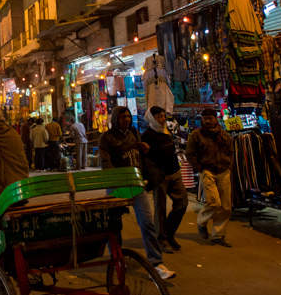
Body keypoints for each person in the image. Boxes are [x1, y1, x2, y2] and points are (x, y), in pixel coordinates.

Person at [99, 106, 175, 280]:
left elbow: (141, 156)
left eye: (128, 116)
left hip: (137, 183)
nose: (126, 119)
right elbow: (106, 163)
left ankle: (156, 263)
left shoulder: (134, 132)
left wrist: (144, 151)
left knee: (147, 223)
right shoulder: (107, 138)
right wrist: (117, 179)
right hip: (117, 185)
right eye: (122, 117)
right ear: (115, 119)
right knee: (115, 225)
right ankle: (117, 259)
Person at [185, 108, 234, 247]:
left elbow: (230, 152)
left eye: (210, 118)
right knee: (214, 202)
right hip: (207, 171)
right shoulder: (196, 135)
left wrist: (229, 166)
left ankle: (218, 235)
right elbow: (190, 153)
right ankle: (201, 222)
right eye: (205, 118)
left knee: (226, 206)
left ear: (215, 118)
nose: (207, 120)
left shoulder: (224, 135)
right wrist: (199, 168)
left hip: (224, 171)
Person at [143, 106, 188, 252]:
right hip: (159, 177)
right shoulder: (146, 136)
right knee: (160, 209)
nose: (162, 120)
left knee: (182, 202)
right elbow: (145, 159)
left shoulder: (166, 132)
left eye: (163, 116)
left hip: (174, 173)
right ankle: (161, 240)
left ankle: (168, 233)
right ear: (151, 118)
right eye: (159, 117)